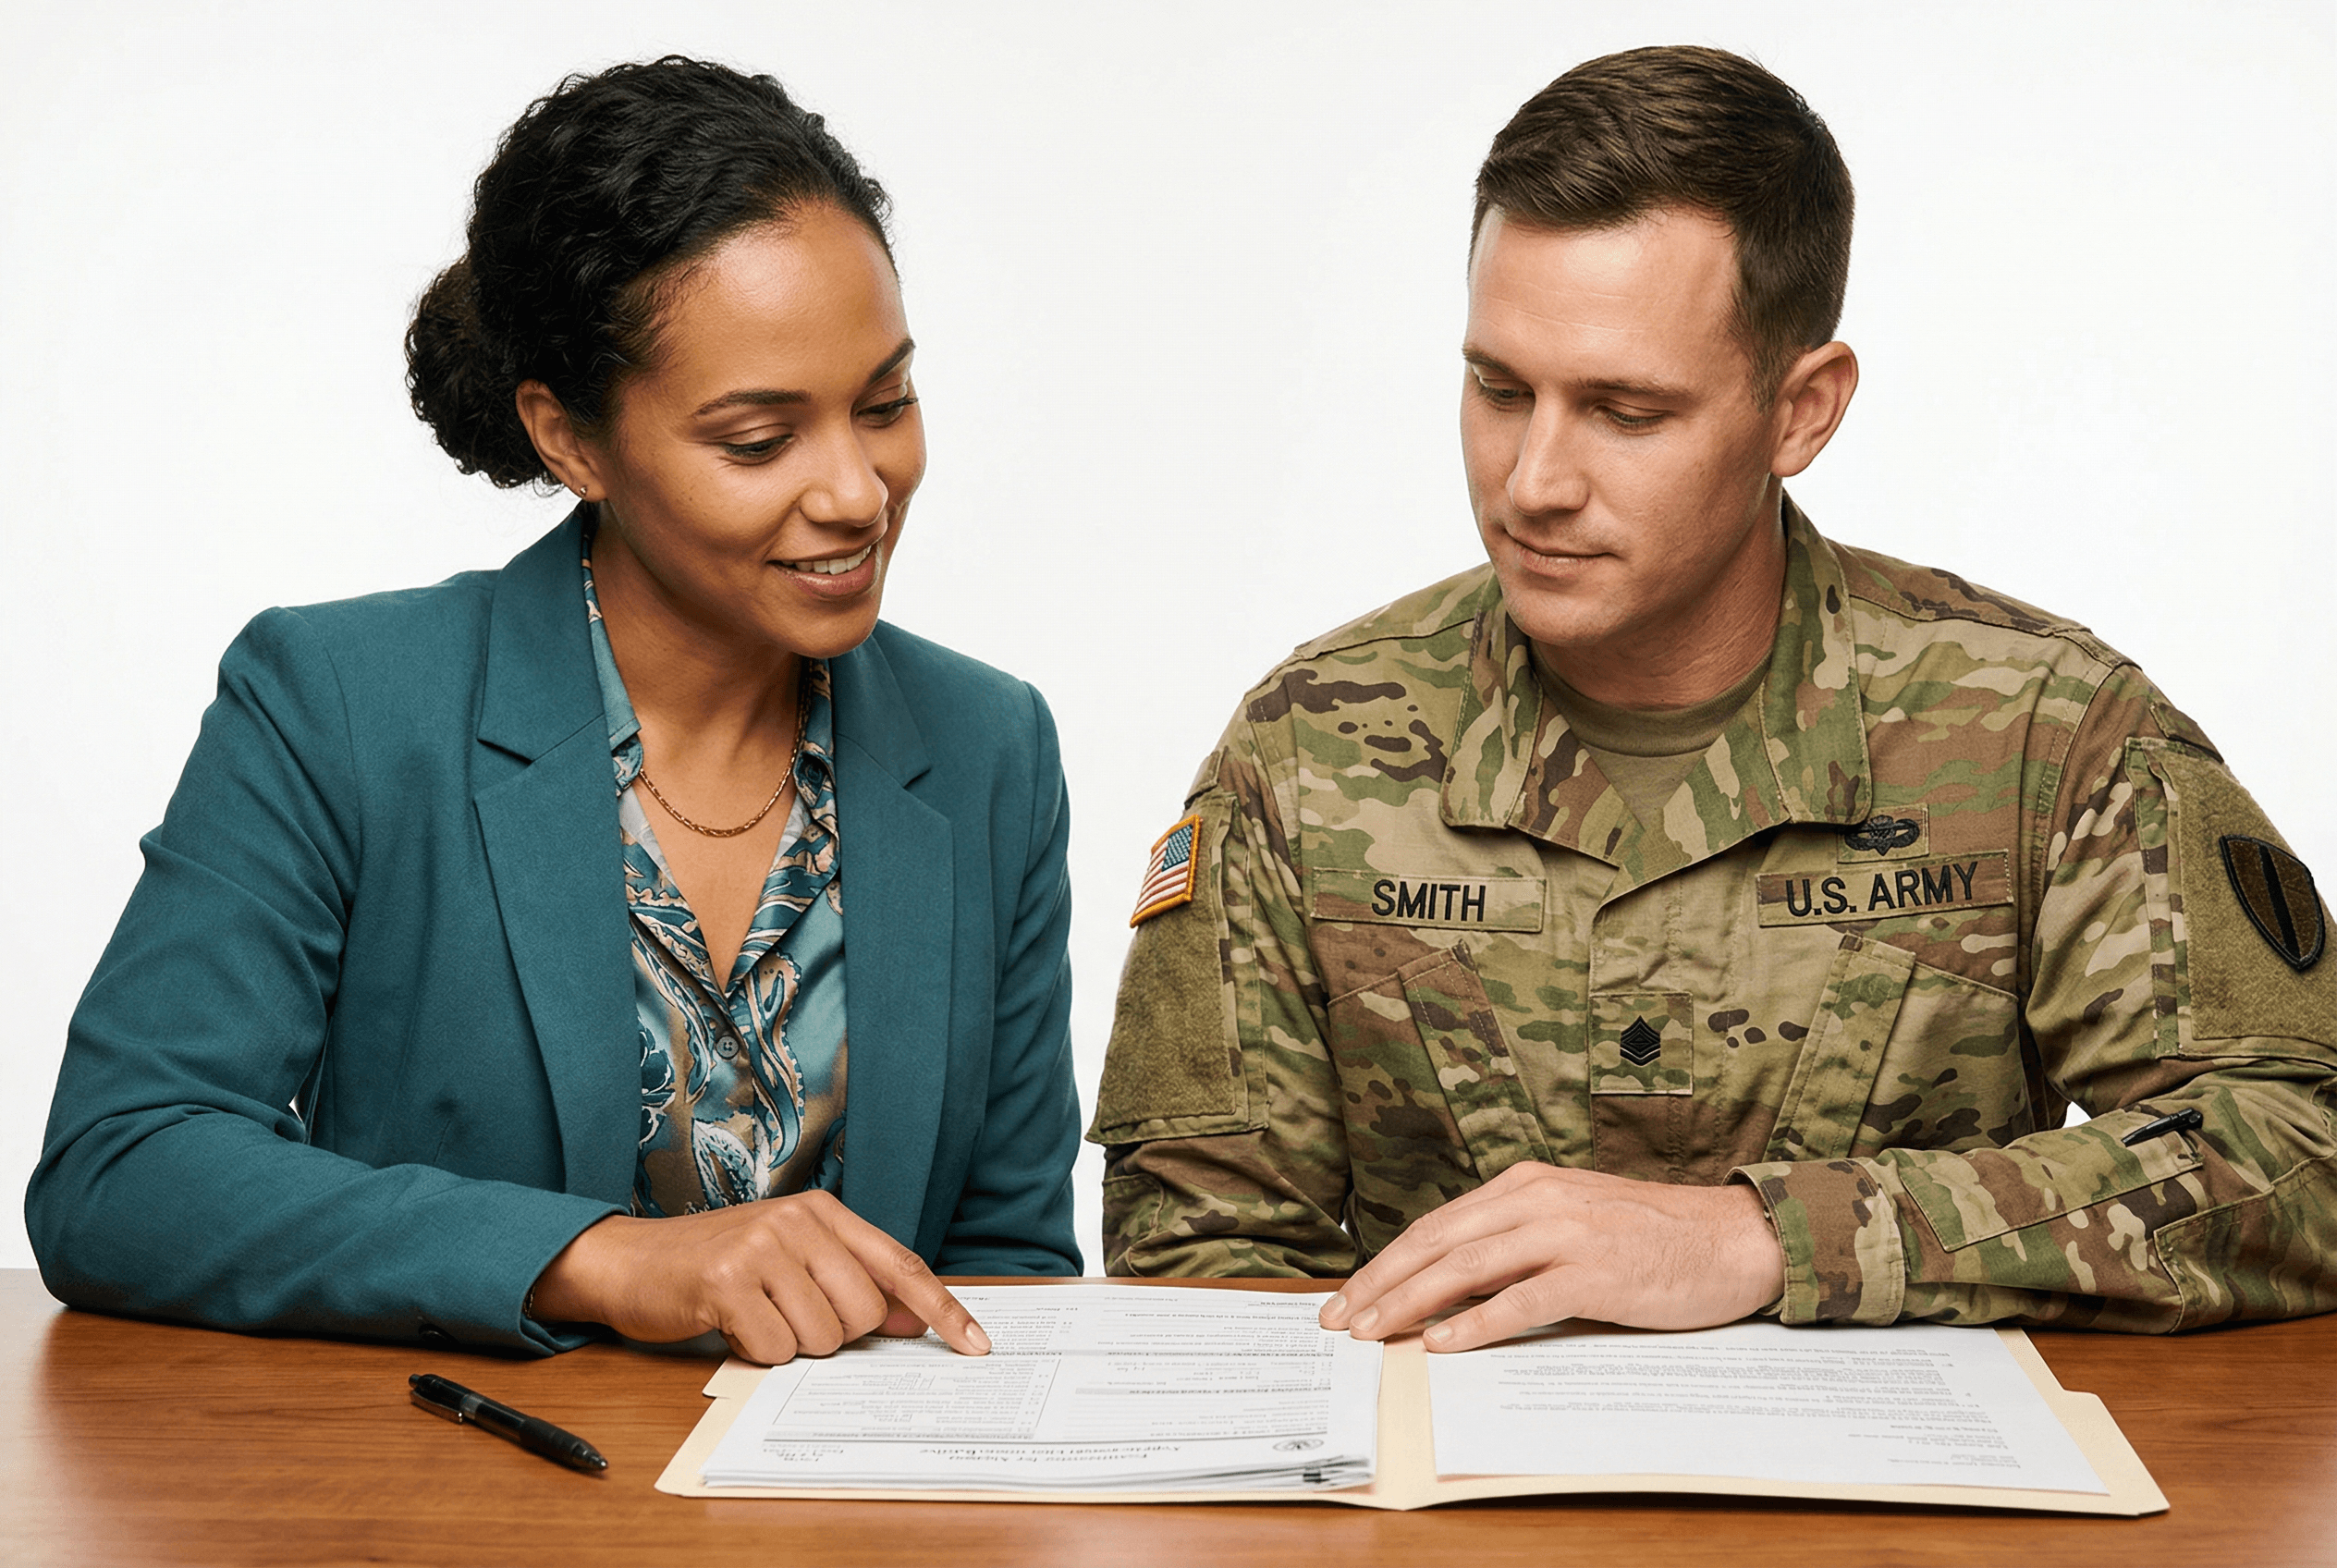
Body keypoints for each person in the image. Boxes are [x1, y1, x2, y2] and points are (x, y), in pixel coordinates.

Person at [1091, 45, 2335, 1349]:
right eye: (1499, 389)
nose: (1533, 481)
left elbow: (2305, 1147)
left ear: (1801, 411)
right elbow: (1201, 1267)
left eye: (1627, 411)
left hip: (1902, 1531)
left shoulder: (2039, 736)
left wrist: (1769, 1238)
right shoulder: (1306, 754)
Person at [25, 58, 1080, 1363]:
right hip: (455, 1511)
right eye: (759, 440)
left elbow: (1007, 1270)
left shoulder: (988, 752)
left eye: (886, 405)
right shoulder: (341, 702)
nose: (859, 491)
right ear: (570, 439)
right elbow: (123, 1171)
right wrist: (598, 1261)